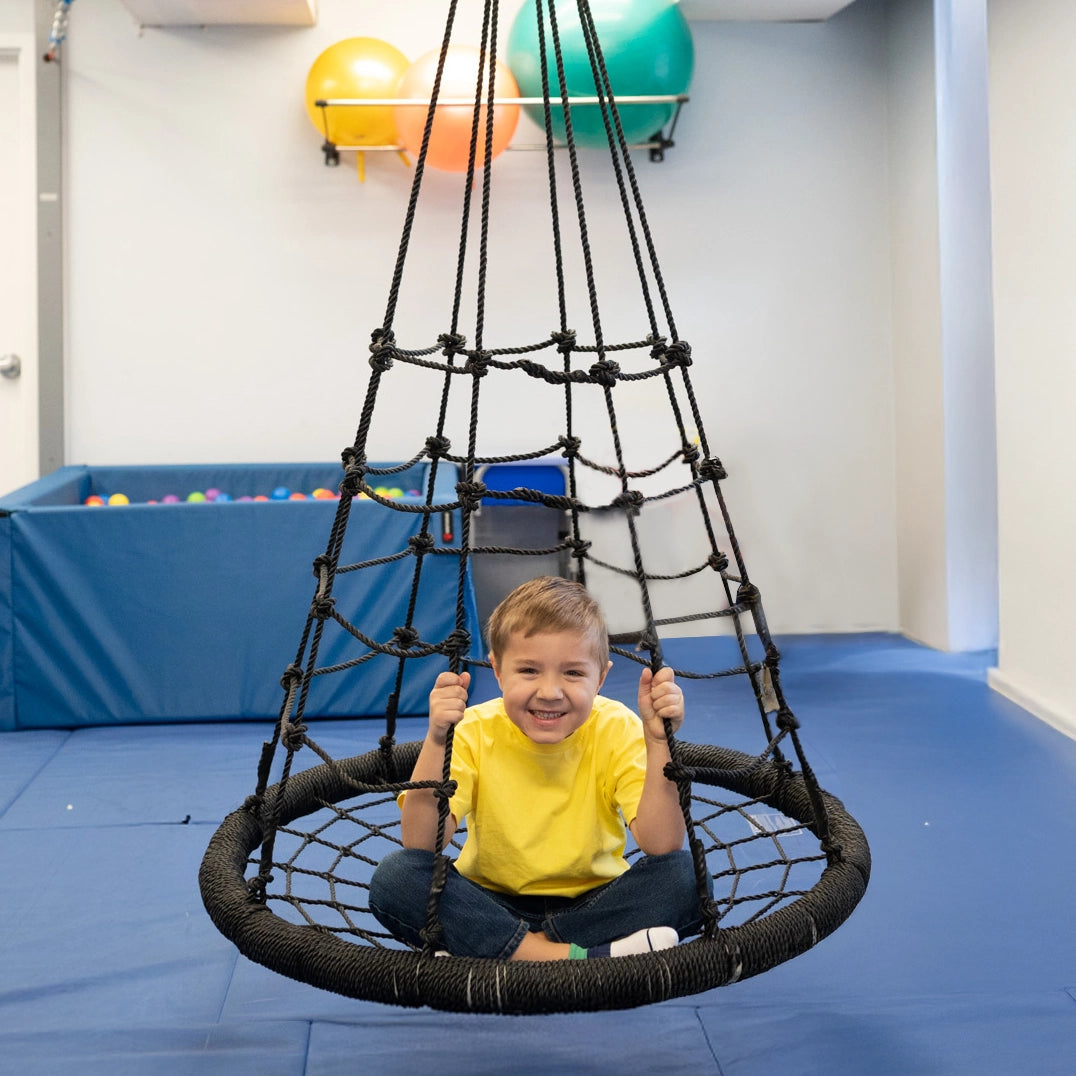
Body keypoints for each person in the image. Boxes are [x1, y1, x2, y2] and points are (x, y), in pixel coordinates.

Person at [370, 576, 704, 961]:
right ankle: (574, 957)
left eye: (573, 673)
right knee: (397, 877)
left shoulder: (618, 726)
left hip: (594, 903)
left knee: (686, 876)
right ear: (497, 671)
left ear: (602, 677)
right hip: (488, 900)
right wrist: (437, 739)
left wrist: (659, 743)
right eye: (528, 671)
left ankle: (501, 949)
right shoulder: (474, 729)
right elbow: (420, 843)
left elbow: (661, 844)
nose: (549, 691)